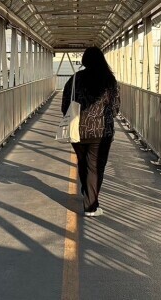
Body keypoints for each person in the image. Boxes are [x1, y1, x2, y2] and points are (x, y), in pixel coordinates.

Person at [61, 46, 120, 217]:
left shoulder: (74, 79)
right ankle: (91, 206)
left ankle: (87, 191)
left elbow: (65, 105)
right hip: (101, 132)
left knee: (83, 163)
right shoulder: (109, 80)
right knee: (95, 167)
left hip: (77, 130)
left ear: (85, 60)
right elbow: (115, 108)